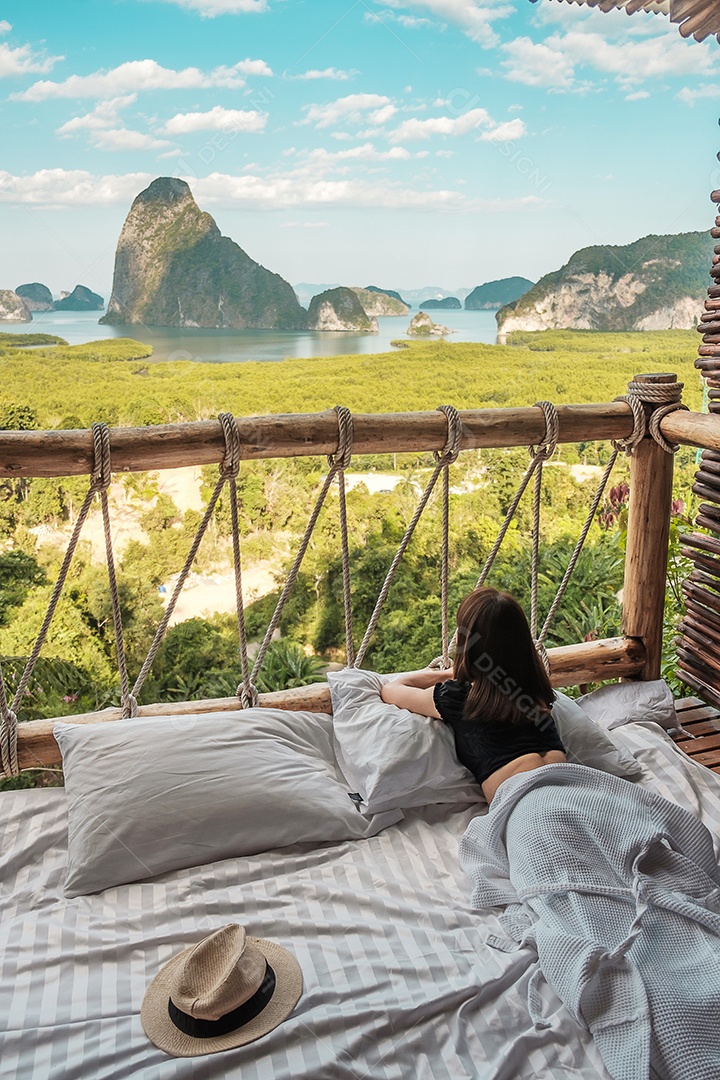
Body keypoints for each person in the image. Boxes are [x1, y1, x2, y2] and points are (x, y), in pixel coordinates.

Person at [380, 586, 567, 803]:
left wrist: (449, 673)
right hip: (572, 784)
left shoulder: (458, 698)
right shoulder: (536, 688)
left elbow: (391, 690)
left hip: (525, 801)